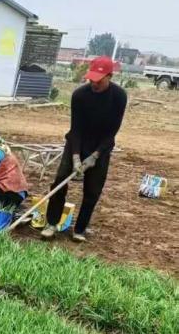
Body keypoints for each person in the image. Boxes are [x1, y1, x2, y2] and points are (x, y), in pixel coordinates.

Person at [42, 56, 128, 242]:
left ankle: (80, 229)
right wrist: (75, 158)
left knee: (93, 190)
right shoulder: (80, 95)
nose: (94, 84)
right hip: (76, 143)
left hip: (101, 147)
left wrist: (95, 156)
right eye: (91, 80)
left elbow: (112, 131)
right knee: (59, 182)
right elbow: (76, 129)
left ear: (110, 76)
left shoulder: (119, 97)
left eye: (98, 80)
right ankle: (51, 223)